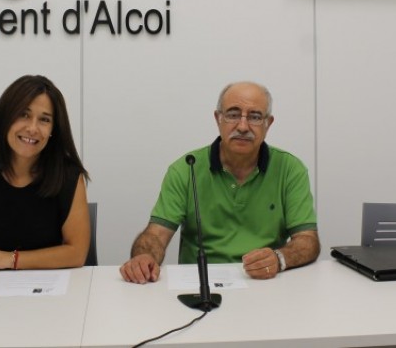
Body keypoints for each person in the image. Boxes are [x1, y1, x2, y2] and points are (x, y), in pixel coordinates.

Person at [120, 81, 319, 283]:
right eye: (233, 114)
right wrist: (143, 257)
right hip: (199, 285)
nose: (242, 126)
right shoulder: (186, 168)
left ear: (268, 123)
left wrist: (279, 258)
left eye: (255, 117)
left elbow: (308, 240)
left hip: (265, 281)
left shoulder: (290, 169)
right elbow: (156, 235)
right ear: (218, 119)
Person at [0, 75, 90, 293]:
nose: (33, 128)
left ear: (53, 129)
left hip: (54, 297)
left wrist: (8, 259)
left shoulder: (68, 176)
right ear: (5, 118)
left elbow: (77, 253)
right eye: (23, 115)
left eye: (44, 119)